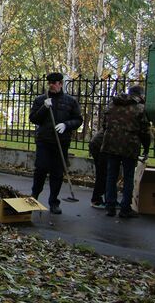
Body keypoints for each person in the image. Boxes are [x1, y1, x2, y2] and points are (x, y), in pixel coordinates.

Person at [29, 72, 83, 215]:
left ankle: (54, 201)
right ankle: (34, 196)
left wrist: (66, 124)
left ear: (61, 83)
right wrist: (44, 108)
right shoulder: (41, 100)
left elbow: (78, 119)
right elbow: (33, 118)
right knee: (40, 169)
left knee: (57, 172)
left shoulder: (70, 101)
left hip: (61, 141)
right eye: (50, 83)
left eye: (55, 83)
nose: (52, 86)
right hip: (44, 140)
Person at [101, 85, 151, 218]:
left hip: (111, 144)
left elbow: (104, 125)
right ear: (140, 94)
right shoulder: (140, 108)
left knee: (111, 175)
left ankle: (110, 207)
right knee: (128, 177)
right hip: (129, 146)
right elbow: (145, 131)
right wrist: (146, 148)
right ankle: (125, 209)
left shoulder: (112, 104)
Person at [88, 130, 109, 209]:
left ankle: (106, 199)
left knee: (104, 174)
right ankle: (96, 199)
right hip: (100, 146)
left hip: (99, 144)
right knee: (102, 174)